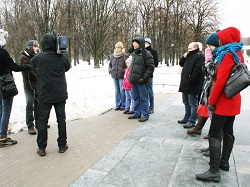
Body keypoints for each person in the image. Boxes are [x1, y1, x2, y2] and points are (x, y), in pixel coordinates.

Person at [196, 27, 244, 182]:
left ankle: (214, 171)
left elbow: (220, 81)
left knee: (215, 133)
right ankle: (224, 162)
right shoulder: (237, 52)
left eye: (220, 38)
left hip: (222, 101)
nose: (219, 41)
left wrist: (211, 101)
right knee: (228, 131)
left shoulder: (227, 54)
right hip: (234, 99)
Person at [31, 32, 70, 156]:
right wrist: (63, 53)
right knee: (61, 120)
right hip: (59, 93)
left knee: (42, 121)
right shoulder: (62, 57)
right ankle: (62, 145)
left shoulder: (38, 58)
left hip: (45, 93)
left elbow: (33, 66)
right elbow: (67, 67)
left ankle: (42, 147)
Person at [0, 29, 32, 146]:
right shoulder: (2, 53)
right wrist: (27, 66)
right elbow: (14, 67)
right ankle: (2, 137)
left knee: (1, 109)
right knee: (6, 110)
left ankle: (1, 135)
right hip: (5, 84)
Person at [187, 33, 220, 136]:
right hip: (209, 87)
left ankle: (213, 134)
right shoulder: (215, 54)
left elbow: (213, 72)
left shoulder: (220, 56)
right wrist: (207, 62)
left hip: (215, 88)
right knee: (204, 109)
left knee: (214, 113)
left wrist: (209, 60)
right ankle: (199, 128)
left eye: (210, 46)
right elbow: (205, 72)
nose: (209, 48)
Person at [177, 42, 205, 128]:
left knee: (193, 103)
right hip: (185, 83)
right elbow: (181, 63)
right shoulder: (189, 55)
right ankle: (187, 117)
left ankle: (192, 120)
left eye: (190, 48)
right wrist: (184, 56)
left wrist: (190, 80)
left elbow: (197, 70)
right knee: (186, 102)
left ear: (195, 48)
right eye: (188, 48)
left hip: (193, 84)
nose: (188, 50)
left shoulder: (200, 56)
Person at [127, 37, 154, 122]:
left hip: (142, 81)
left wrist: (144, 78)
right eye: (133, 43)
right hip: (134, 80)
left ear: (140, 44)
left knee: (143, 98)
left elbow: (150, 67)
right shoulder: (135, 54)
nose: (134, 44)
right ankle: (137, 113)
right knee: (135, 97)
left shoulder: (147, 53)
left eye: (135, 43)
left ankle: (145, 115)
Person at [19, 40, 40, 135]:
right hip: (29, 86)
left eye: (37, 46)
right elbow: (28, 72)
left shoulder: (36, 56)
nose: (37, 48)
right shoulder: (23, 57)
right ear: (30, 47)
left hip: (37, 85)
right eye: (35, 46)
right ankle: (30, 125)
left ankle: (39, 123)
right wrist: (38, 75)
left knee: (38, 105)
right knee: (30, 105)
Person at [108, 42, 128, 111]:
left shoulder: (125, 56)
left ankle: (123, 105)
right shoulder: (112, 56)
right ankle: (117, 105)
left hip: (121, 76)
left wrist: (124, 71)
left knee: (122, 90)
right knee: (117, 91)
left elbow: (127, 65)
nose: (117, 49)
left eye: (119, 47)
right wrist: (110, 70)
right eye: (116, 47)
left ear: (121, 48)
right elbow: (110, 65)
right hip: (114, 75)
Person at [145, 38, 158, 114]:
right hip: (142, 74)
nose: (145, 44)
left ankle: (151, 107)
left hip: (149, 73)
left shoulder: (153, 52)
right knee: (144, 91)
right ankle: (145, 106)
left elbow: (155, 64)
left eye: (146, 43)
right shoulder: (141, 51)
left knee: (150, 90)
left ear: (149, 44)